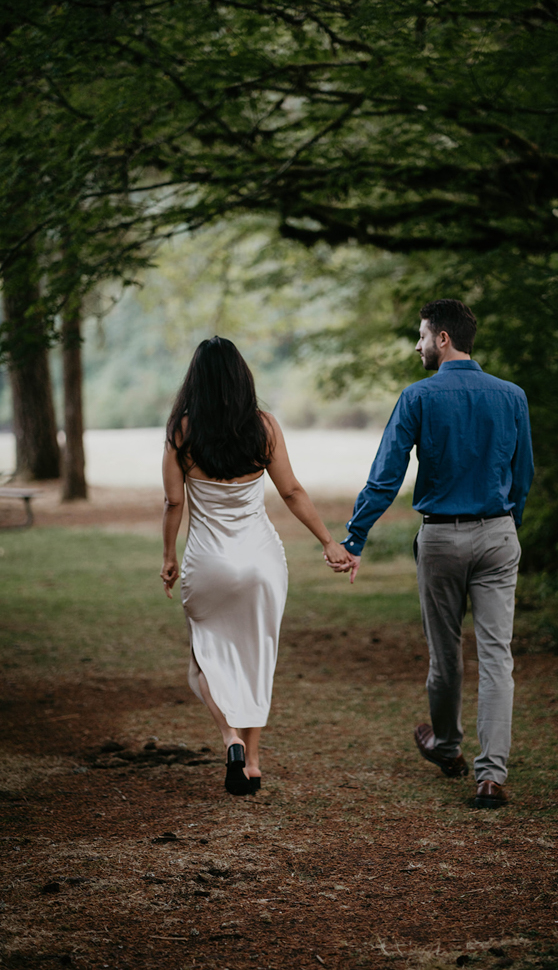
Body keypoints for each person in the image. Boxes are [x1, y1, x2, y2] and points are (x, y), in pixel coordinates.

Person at [329, 299, 533, 808]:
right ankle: (490, 777)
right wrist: (508, 528)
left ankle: (446, 746)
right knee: (496, 657)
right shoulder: (512, 396)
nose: (417, 346)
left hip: (441, 539)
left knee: (445, 656)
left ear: (442, 338)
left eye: (421, 336)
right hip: (499, 534)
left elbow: (385, 476)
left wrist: (354, 539)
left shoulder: (417, 397)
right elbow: (523, 474)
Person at [161, 337, 354, 796]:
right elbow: (291, 491)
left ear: (197, 380)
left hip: (208, 563)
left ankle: (229, 738)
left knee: (204, 657)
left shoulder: (181, 431)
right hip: (262, 562)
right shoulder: (263, 427)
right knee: (257, 657)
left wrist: (168, 556)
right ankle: (253, 763)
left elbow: (173, 502)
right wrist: (329, 541)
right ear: (241, 376)